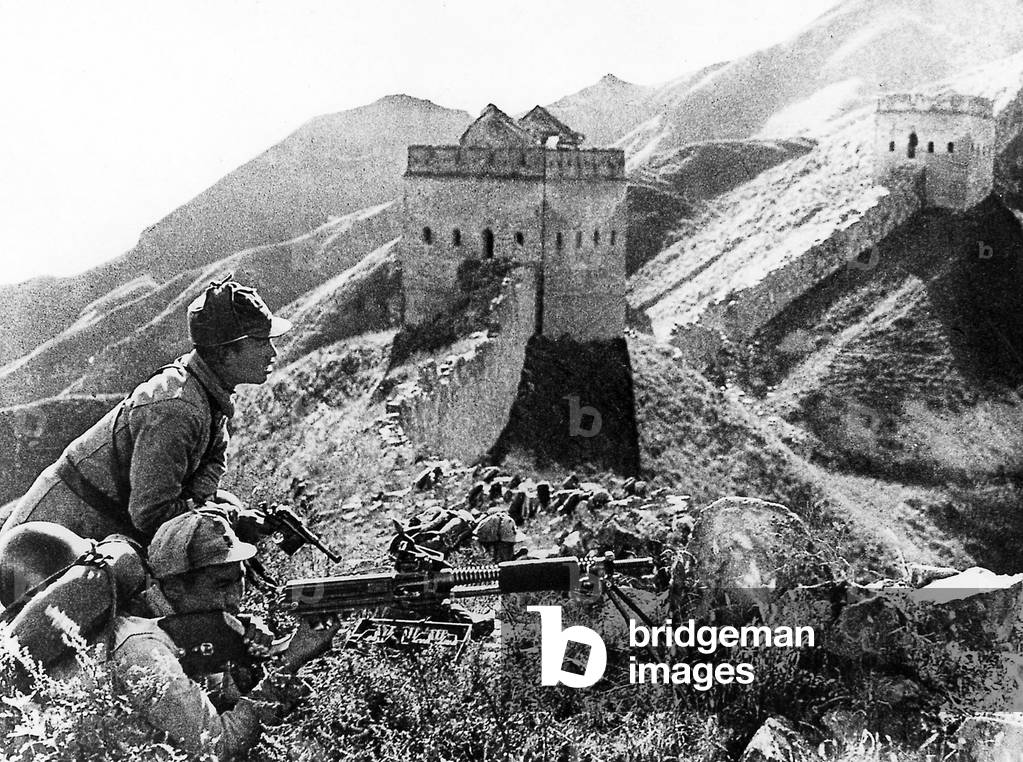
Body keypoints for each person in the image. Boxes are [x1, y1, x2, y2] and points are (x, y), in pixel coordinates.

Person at [1, 277, 290, 543]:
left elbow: (209, 468)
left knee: (224, 508)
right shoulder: (177, 408)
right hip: (51, 532)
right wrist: (232, 521)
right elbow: (150, 515)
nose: (272, 353)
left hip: (95, 525)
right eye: (262, 343)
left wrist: (216, 509)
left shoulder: (208, 396)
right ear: (226, 352)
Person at [109, 510, 340, 760]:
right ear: (174, 589)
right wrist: (288, 665)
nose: (234, 599)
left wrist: (247, 657)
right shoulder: (144, 650)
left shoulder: (199, 628)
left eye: (238, 581)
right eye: (221, 585)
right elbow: (219, 748)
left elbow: (222, 703)